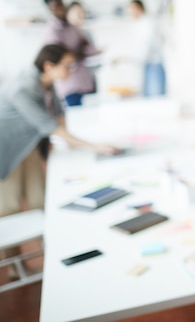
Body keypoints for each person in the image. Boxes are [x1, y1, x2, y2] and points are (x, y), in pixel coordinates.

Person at [0, 44, 121, 280]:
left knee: (38, 200)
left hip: (28, 147)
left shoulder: (47, 82)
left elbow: (58, 115)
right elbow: (51, 127)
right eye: (68, 66)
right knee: (10, 207)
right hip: (6, 149)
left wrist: (77, 140)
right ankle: (15, 266)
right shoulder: (22, 88)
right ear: (49, 65)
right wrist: (95, 146)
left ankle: (48, 262)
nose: (72, 70)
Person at [43, 0, 100, 106]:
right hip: (69, 84)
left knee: (92, 116)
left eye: (60, 4)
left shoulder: (72, 27)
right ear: (49, 9)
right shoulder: (51, 31)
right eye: (54, 6)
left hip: (85, 81)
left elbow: (85, 46)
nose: (59, 8)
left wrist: (92, 51)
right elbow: (59, 57)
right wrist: (77, 53)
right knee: (76, 116)